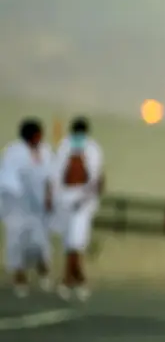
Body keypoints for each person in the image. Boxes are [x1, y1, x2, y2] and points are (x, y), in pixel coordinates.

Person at [51, 117, 104, 301]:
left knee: (76, 240)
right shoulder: (64, 146)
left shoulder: (93, 149)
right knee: (69, 242)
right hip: (65, 197)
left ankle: (67, 279)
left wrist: (87, 198)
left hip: (83, 199)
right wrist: (54, 197)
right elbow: (57, 174)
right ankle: (79, 279)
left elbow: (96, 177)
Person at [0, 119, 54, 297]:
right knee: (17, 243)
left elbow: (49, 176)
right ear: (31, 135)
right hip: (18, 207)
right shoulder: (14, 152)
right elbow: (7, 179)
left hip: (38, 208)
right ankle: (19, 278)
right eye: (38, 134)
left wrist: (48, 197)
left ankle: (44, 273)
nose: (41, 137)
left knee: (41, 243)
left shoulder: (45, 151)